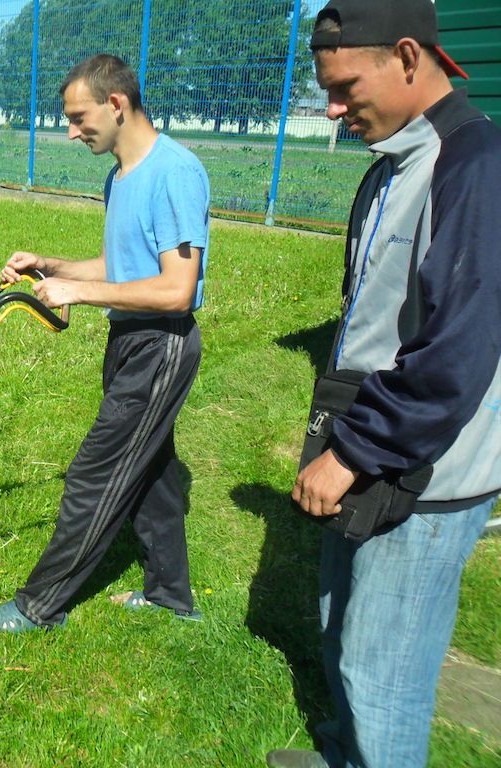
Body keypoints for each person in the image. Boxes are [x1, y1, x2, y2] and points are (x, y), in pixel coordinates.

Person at [267, 1, 501, 767]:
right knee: (341, 625)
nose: (333, 111)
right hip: (371, 446)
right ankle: (345, 755)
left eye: (343, 89)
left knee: (384, 674)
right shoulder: (393, 166)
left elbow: (454, 354)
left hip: (424, 472)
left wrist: (353, 451)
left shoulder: (473, 167)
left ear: (408, 56)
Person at [0, 54, 211, 633]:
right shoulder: (122, 177)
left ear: (116, 104)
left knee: (94, 475)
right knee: (151, 474)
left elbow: (177, 289)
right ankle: (171, 597)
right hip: (130, 340)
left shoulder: (174, 172)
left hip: (161, 344)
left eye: (79, 118)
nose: (71, 131)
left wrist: (77, 292)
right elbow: (122, 266)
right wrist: (50, 266)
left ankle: (38, 607)